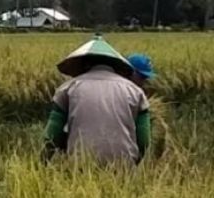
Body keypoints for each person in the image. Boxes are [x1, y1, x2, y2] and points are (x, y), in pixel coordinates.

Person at [43, 37, 150, 165]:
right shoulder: (135, 91)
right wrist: (136, 163)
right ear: (114, 64)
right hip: (124, 164)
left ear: (85, 64)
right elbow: (144, 140)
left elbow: (52, 136)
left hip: (81, 164)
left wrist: (43, 162)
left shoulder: (67, 89)